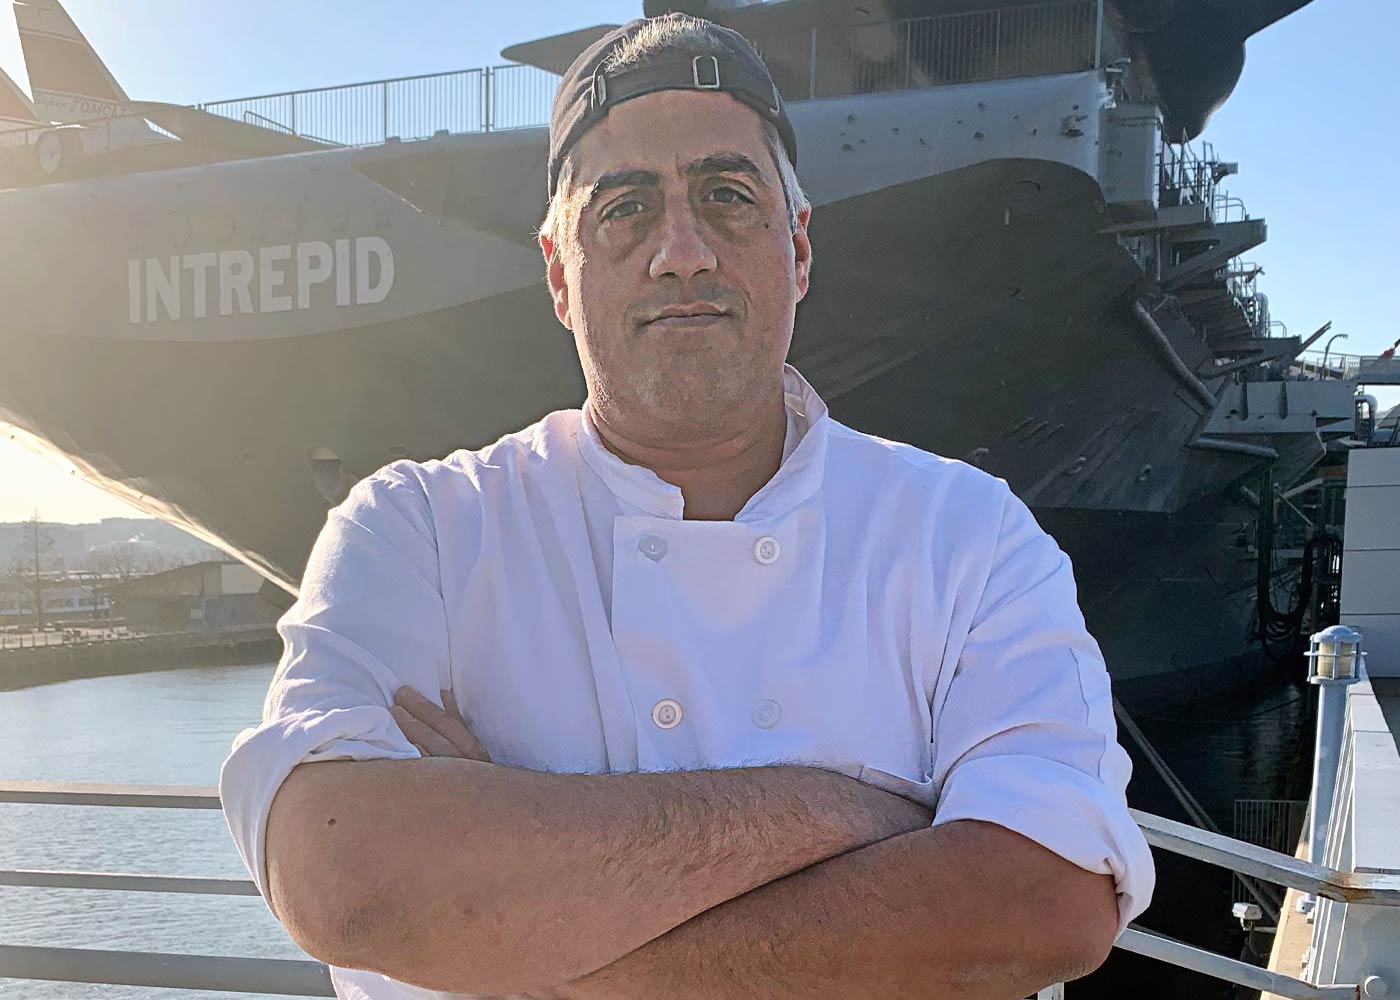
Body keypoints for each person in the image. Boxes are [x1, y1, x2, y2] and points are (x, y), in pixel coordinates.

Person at [220, 14, 1154, 1000]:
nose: (681, 251)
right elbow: (345, 879)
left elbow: (1042, 903)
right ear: (557, 273)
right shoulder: (416, 527)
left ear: (796, 248)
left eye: (725, 195)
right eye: (623, 207)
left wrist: (509, 925)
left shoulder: (968, 534)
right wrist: (856, 816)